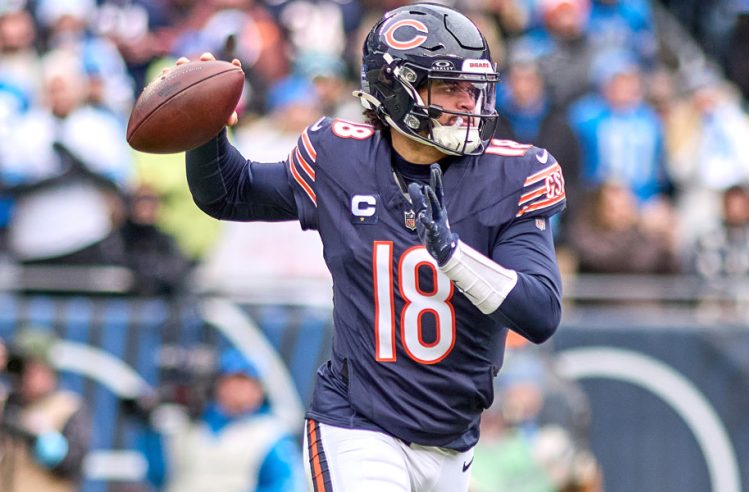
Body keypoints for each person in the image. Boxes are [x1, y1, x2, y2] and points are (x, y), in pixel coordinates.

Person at [175, 3, 565, 490]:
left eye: (474, 88)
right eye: (449, 87)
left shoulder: (513, 175)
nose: (468, 103)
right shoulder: (341, 157)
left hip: (454, 440)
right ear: (395, 88)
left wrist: (453, 255)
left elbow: (540, 312)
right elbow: (229, 192)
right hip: (358, 423)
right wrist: (204, 126)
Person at [139, 348, 305, 492]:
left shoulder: (269, 433)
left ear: (259, 390)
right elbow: (158, 476)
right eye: (232, 382)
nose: (239, 390)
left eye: (246, 383)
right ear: (218, 384)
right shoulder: (185, 425)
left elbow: (287, 486)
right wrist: (151, 429)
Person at [0, 329, 91, 492]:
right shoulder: (8, 402)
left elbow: (72, 464)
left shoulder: (68, 407)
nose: (21, 377)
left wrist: (38, 437)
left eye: (29, 370)